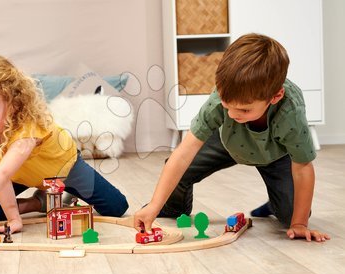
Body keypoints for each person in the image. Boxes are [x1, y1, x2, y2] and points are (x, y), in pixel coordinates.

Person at [134, 33, 330, 242]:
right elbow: (184, 153)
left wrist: (299, 224)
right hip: (228, 141)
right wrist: (155, 204)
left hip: (275, 153)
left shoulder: (290, 112)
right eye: (228, 105)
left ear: (275, 97)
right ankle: (172, 206)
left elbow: (302, 167)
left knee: (293, 214)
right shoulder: (220, 98)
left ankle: (276, 201)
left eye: (244, 110)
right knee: (177, 171)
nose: (234, 114)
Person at [0, 55, 128, 234]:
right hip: (21, 175)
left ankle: (61, 192)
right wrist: (13, 219)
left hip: (64, 169)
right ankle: (39, 202)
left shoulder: (28, 129)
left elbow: (2, 173)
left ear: (13, 106)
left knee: (116, 207)